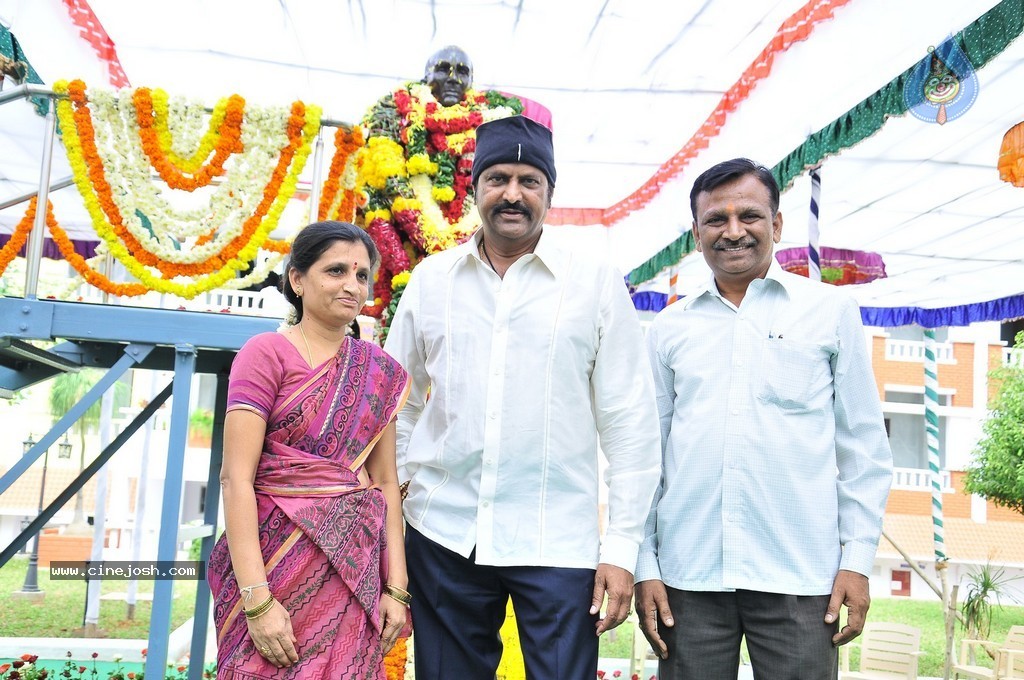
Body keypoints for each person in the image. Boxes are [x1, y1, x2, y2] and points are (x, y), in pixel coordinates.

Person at [383, 114, 661, 679]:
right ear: (476, 189)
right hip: (444, 531)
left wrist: (622, 547)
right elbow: (398, 403)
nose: (512, 194)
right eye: (498, 179)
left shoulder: (594, 282)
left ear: (550, 194)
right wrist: (405, 491)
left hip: (556, 537)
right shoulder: (432, 280)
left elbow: (629, 422)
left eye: (529, 181)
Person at [635, 158, 894, 680]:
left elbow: (864, 449)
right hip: (690, 576)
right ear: (696, 232)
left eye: (749, 216)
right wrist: (645, 566)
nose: (733, 231)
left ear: (776, 225)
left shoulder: (829, 311)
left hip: (801, 576)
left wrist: (856, 560)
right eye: (716, 219)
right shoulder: (669, 328)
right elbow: (646, 458)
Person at [208, 221, 411, 679]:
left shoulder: (379, 373)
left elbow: (384, 484)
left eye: (362, 276)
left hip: (350, 575)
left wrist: (396, 587)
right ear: (297, 280)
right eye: (335, 270)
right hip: (271, 566)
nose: (351, 285)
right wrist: (258, 601)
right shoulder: (266, 354)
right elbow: (235, 478)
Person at [356, 45, 545, 320]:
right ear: (426, 74)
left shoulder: (494, 119)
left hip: (476, 252)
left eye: (463, 72)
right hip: (408, 251)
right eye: (444, 69)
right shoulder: (393, 111)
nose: (453, 79)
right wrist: (426, 234)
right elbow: (387, 179)